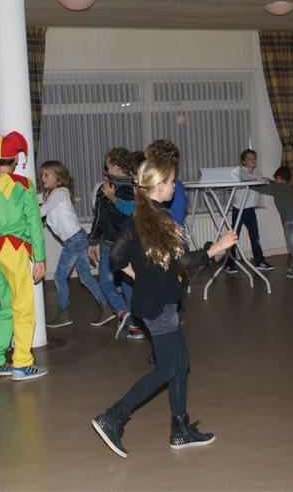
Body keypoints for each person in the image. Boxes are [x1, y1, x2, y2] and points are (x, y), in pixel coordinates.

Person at [91, 155, 239, 458]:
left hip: (151, 300)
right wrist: (216, 248)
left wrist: (139, 276)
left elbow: (116, 257)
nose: (174, 185)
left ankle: (180, 429)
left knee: (181, 361)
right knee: (168, 367)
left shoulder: (139, 217)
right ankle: (113, 417)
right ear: (158, 186)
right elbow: (184, 261)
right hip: (160, 305)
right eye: (171, 181)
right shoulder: (163, 219)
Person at [0, 130, 48, 380]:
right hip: (13, 250)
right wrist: (40, 258)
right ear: (15, 159)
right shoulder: (23, 185)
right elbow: (34, 224)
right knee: (23, 306)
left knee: (5, 305)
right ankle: (22, 364)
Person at [39, 160, 114, 328]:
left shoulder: (59, 192)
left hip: (74, 240)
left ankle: (64, 314)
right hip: (78, 238)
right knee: (86, 277)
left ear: (57, 176)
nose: (42, 178)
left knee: (59, 277)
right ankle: (106, 308)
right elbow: (40, 201)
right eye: (42, 175)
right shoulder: (54, 194)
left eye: (46, 175)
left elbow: (41, 211)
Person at [88, 148, 142, 340]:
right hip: (132, 243)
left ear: (117, 168)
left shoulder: (105, 190)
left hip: (111, 244)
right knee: (129, 282)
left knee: (105, 281)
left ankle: (122, 311)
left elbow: (99, 219)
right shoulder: (138, 187)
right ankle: (136, 326)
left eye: (108, 166)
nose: (106, 169)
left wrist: (92, 241)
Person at [226, 149, 273, 273]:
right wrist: (262, 179)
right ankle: (229, 264)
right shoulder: (240, 172)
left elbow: (260, 180)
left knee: (255, 236)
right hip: (239, 208)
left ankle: (259, 261)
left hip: (250, 209)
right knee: (234, 237)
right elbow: (250, 180)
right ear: (243, 161)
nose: (252, 160)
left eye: (254, 158)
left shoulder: (256, 174)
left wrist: (264, 179)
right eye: (249, 159)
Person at [256, 167, 293, 278]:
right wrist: (269, 181)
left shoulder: (277, 188)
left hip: (291, 222)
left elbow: (261, 189)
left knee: (292, 245)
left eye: (275, 178)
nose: (275, 179)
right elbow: (274, 185)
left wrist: (248, 185)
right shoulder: (286, 187)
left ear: (278, 177)